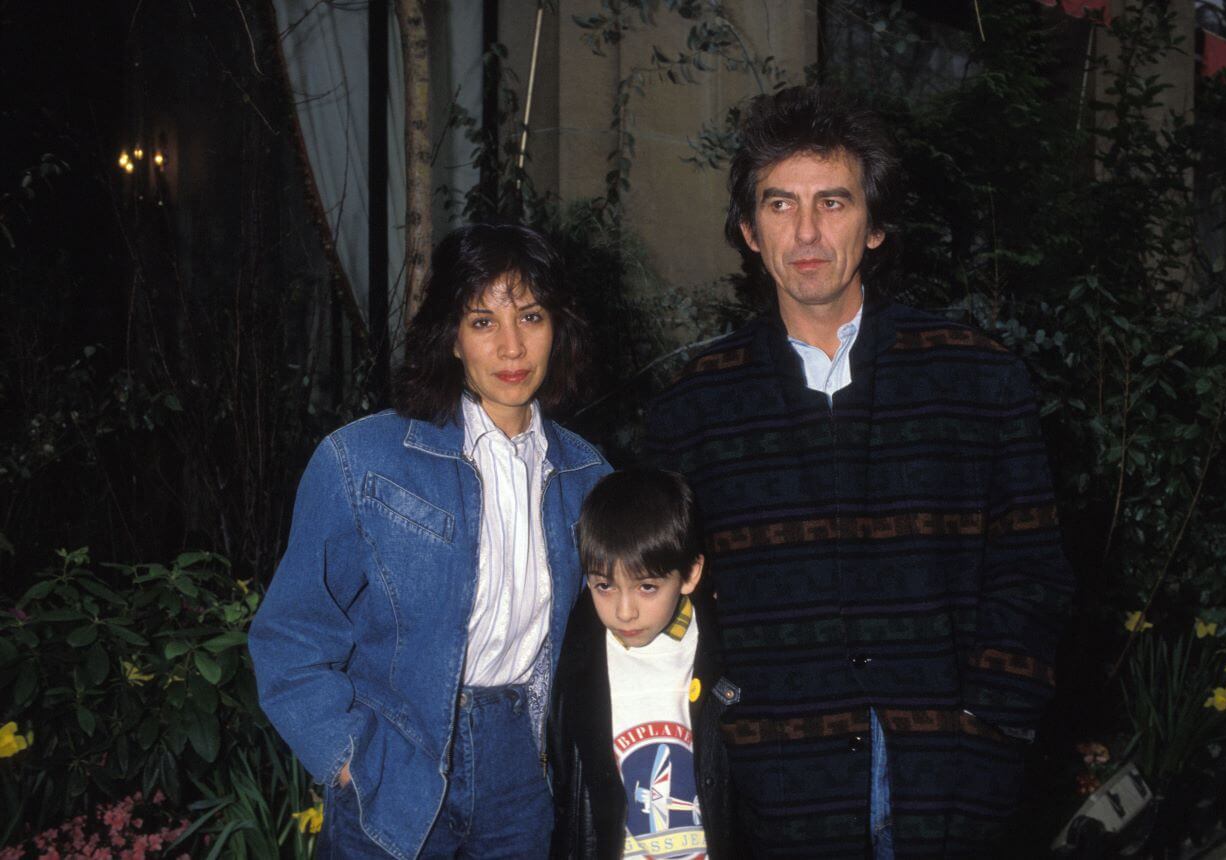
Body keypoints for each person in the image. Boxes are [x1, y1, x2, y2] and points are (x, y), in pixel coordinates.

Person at [644, 86, 1074, 858]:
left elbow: (1032, 569)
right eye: (781, 205)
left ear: (874, 226)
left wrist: (995, 726)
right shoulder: (691, 408)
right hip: (775, 791)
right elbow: (668, 598)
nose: (807, 232)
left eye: (834, 203)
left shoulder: (978, 381)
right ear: (748, 229)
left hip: (949, 786)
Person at [248, 223, 612, 859]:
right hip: (395, 758)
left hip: (523, 774)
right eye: (482, 322)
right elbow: (291, 635)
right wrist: (347, 758)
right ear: (450, 337)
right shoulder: (361, 460)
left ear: (559, 327)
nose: (511, 345)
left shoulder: (588, 478)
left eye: (530, 315)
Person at [548, 469, 743, 859]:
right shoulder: (575, 661)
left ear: (690, 574)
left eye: (647, 587)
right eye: (604, 586)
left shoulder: (724, 653)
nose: (624, 611)